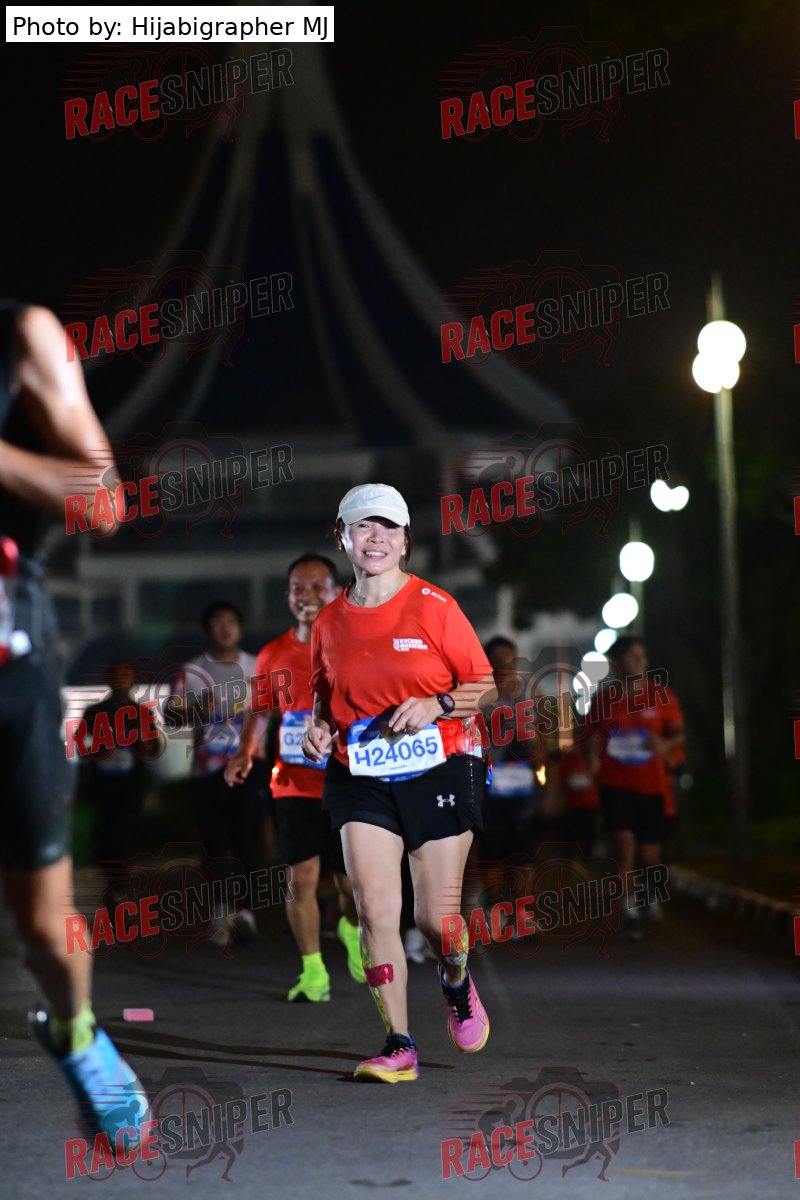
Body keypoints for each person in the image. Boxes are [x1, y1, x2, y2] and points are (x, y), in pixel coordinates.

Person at [0, 301, 149, 1147]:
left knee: (42, 928)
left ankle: (78, 1031)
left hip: (9, 661)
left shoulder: (23, 336)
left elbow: (103, 500)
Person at [303, 483, 496, 1083]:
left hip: (441, 764)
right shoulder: (328, 621)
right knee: (376, 909)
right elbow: (324, 696)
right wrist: (317, 729)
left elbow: (484, 684)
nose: (376, 537)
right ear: (343, 538)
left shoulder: (435, 606)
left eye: (389, 527)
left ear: (406, 541)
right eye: (363, 526)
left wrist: (438, 703)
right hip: (360, 775)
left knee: (438, 923)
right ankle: (398, 1043)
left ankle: (455, 978)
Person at [225, 554, 366, 1000]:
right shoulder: (274, 653)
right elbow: (261, 710)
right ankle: (313, 973)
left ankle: (350, 927)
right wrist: (246, 751)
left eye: (316, 587)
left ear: (337, 591)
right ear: (287, 596)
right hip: (293, 785)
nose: (306, 597)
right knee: (299, 880)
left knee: (350, 885)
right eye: (297, 589)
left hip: (347, 782)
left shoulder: (356, 645)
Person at [171, 601, 268, 946]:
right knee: (214, 842)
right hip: (207, 770)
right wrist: (199, 708)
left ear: (240, 628)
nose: (225, 628)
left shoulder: (257, 666)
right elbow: (172, 717)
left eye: (231, 621)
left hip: (249, 766)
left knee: (244, 837)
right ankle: (219, 912)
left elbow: (275, 708)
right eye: (217, 622)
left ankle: (246, 912)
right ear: (207, 629)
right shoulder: (192, 671)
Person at [586, 636, 684, 940]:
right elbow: (591, 735)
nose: (639, 660)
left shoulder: (660, 695)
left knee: (649, 854)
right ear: (617, 663)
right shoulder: (604, 700)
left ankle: (648, 888)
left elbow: (678, 733)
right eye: (631, 655)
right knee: (623, 845)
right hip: (615, 784)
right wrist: (592, 760)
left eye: (642, 655)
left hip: (652, 785)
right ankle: (629, 914)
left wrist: (664, 744)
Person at [81, 659, 161, 905]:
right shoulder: (94, 712)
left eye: (125, 675)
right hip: (104, 783)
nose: (120, 681)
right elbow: (80, 745)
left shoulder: (142, 713)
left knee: (122, 831)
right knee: (106, 832)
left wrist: (141, 741)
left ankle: (120, 885)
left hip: (131, 783)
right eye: (115, 675)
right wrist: (99, 750)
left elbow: (153, 748)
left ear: (133, 679)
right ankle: (115, 882)